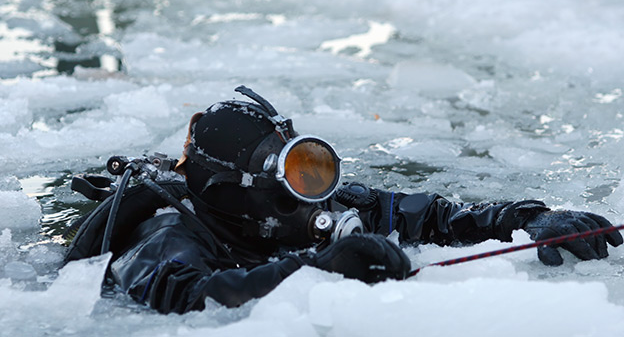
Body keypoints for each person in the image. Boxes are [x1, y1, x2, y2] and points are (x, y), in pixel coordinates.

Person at [64, 86, 623, 314]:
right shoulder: (167, 231)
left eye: (307, 166)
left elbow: (432, 215)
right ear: (236, 189)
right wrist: (314, 268)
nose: (305, 188)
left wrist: (532, 218)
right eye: (290, 172)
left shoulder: (303, 201)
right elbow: (188, 296)